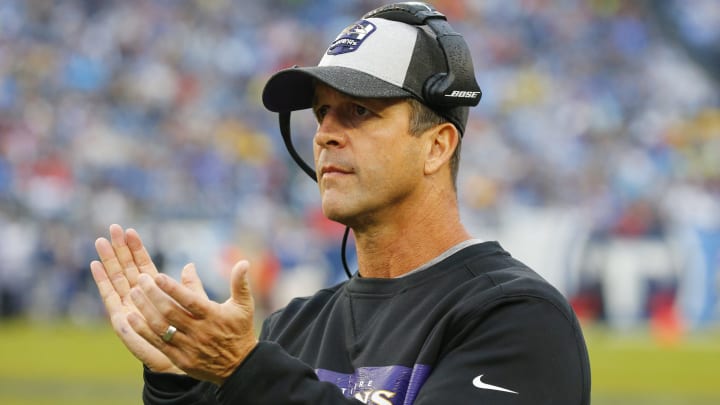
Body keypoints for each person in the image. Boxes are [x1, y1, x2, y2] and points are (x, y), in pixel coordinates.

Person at [90, 2, 591, 404]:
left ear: (437, 146)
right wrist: (179, 386)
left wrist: (246, 373)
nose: (326, 134)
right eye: (323, 112)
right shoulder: (290, 328)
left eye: (359, 111)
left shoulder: (518, 318)